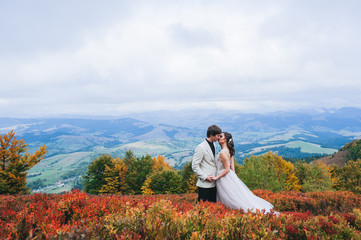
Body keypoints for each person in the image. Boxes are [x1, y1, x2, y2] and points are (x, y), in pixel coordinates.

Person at [211, 132, 276, 213]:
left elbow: (227, 169)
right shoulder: (229, 151)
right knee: (235, 196)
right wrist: (234, 179)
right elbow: (232, 169)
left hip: (223, 177)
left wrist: (216, 177)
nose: (218, 138)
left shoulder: (223, 153)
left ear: (225, 140)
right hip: (229, 176)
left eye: (221, 136)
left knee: (229, 198)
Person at [192, 125, 222, 203]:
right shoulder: (201, 147)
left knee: (212, 206)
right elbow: (195, 166)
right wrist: (205, 177)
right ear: (211, 135)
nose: (219, 137)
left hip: (214, 182)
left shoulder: (214, 145)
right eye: (217, 135)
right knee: (202, 207)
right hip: (205, 184)